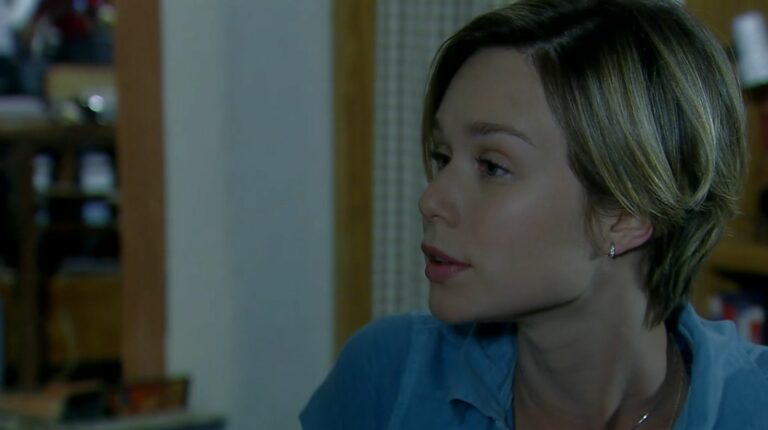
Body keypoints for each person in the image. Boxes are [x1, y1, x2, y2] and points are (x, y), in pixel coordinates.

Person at [301, 0, 768, 428]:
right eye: (442, 157)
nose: (431, 200)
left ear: (626, 214)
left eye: (492, 166)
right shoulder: (387, 377)